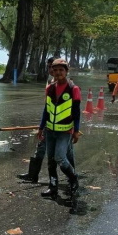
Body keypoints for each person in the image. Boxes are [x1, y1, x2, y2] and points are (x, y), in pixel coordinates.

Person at [17, 57, 75, 182]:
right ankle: (33, 174)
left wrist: (75, 128)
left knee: (67, 151)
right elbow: (47, 107)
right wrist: (42, 126)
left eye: (53, 68)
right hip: (50, 125)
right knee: (41, 149)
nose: (51, 70)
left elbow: (73, 108)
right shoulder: (50, 82)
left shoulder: (68, 84)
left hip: (64, 126)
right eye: (49, 67)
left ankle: (71, 176)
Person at [37, 58, 81, 201]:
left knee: (60, 157)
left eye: (61, 70)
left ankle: (73, 179)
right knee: (50, 160)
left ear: (66, 71)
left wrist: (76, 131)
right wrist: (41, 128)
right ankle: (53, 186)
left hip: (65, 131)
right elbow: (46, 110)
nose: (58, 73)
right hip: (50, 130)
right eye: (55, 70)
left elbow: (76, 113)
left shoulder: (73, 89)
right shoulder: (50, 88)